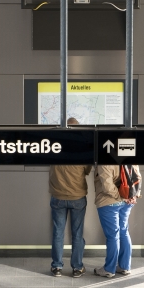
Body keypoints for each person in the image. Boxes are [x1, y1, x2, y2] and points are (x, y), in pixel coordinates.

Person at [48, 117, 91, 277]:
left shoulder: (54, 146)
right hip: (77, 197)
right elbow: (86, 170)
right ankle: (77, 268)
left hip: (57, 196)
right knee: (77, 233)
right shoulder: (82, 148)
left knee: (58, 232)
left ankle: (57, 267)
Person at [93, 163, 140, 278]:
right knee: (123, 231)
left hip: (108, 202)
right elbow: (137, 177)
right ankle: (124, 267)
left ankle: (109, 269)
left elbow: (107, 186)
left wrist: (121, 197)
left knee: (113, 235)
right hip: (128, 201)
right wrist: (133, 195)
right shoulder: (129, 155)